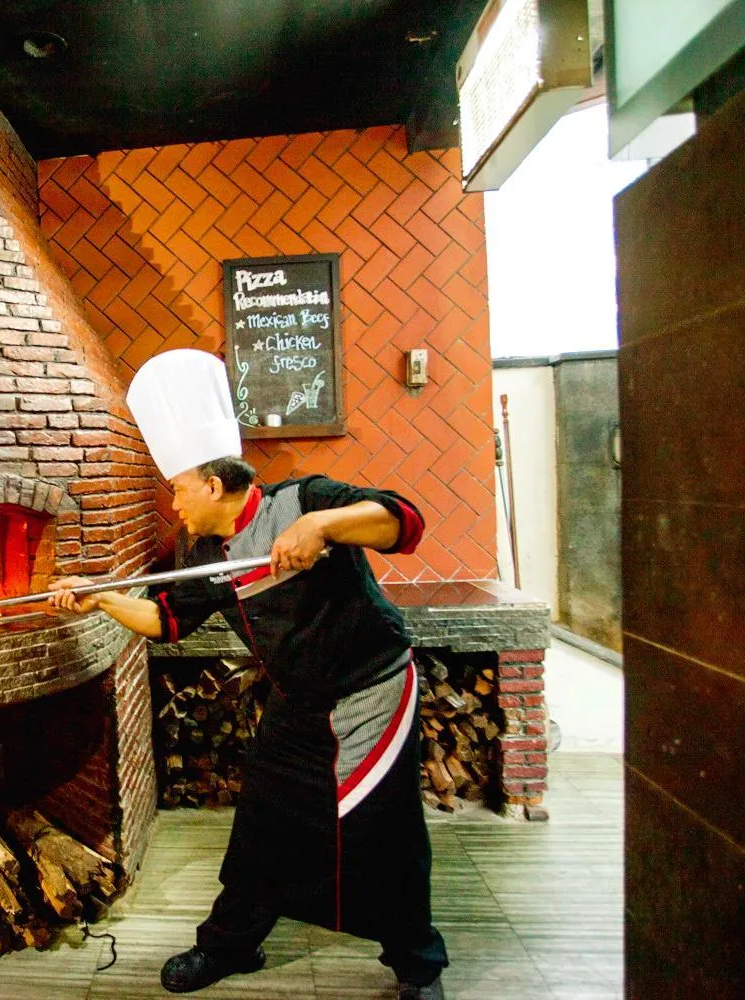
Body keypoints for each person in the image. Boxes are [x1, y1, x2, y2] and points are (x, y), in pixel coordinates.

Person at [48, 349, 448, 999]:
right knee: (263, 825)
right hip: (297, 703)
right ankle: (229, 946)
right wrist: (101, 600)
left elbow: (403, 521)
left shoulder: (305, 499)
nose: (174, 503)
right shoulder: (204, 552)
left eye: (178, 488)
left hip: (371, 691)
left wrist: (322, 526)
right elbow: (166, 621)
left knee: (384, 831)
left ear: (212, 484)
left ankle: (418, 967)